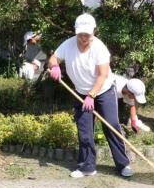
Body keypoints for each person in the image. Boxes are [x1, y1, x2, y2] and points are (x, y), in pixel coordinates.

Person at [49, 13, 133, 178]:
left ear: (94, 32)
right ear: (76, 32)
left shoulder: (99, 48)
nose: (83, 38)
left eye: (87, 34)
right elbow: (54, 58)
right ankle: (87, 167)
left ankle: (123, 164)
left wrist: (92, 96)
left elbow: (102, 75)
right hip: (81, 92)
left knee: (111, 126)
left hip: (103, 91)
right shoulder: (68, 44)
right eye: (80, 34)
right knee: (84, 130)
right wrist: (55, 67)